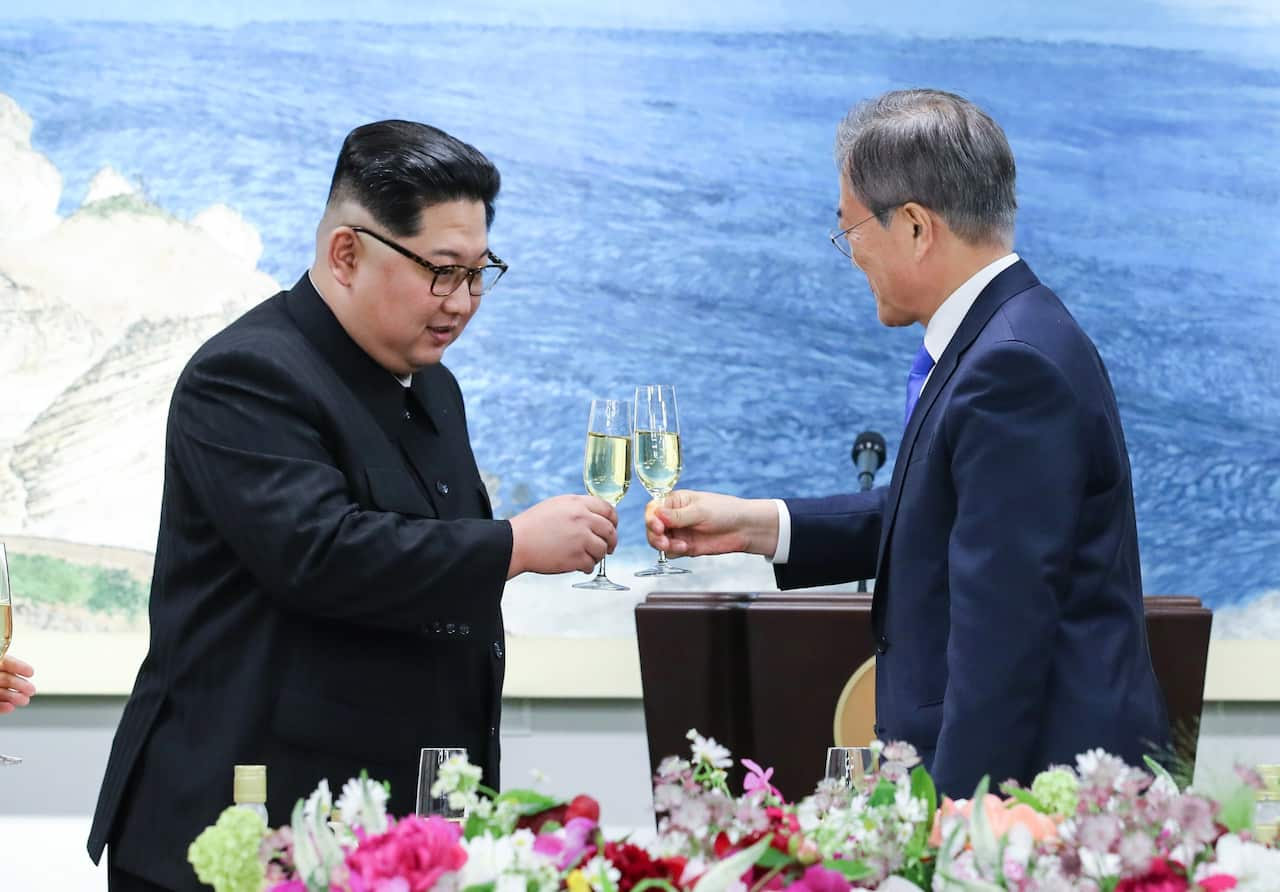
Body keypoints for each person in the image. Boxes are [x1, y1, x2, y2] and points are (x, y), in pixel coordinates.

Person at [88, 120, 619, 891]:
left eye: (480, 272)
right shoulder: (247, 374)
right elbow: (321, 554)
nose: (464, 301)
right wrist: (515, 546)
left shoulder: (433, 385)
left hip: (385, 832)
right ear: (346, 254)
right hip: (240, 833)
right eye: (442, 271)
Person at [646, 89, 1170, 799]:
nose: (849, 253)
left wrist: (955, 817)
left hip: (1032, 799)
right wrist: (758, 526)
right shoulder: (1014, 335)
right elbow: (949, 510)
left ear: (917, 226)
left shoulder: (1012, 366)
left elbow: (1002, 640)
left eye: (850, 229)